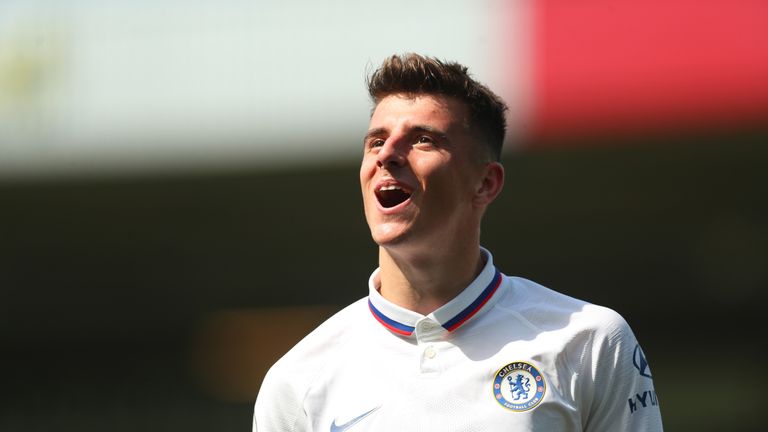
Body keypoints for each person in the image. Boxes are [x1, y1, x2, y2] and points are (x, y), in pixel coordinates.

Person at [253, 53, 663, 431]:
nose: (387, 154)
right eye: (376, 141)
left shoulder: (589, 340)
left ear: (485, 183)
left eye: (423, 139)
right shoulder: (296, 380)